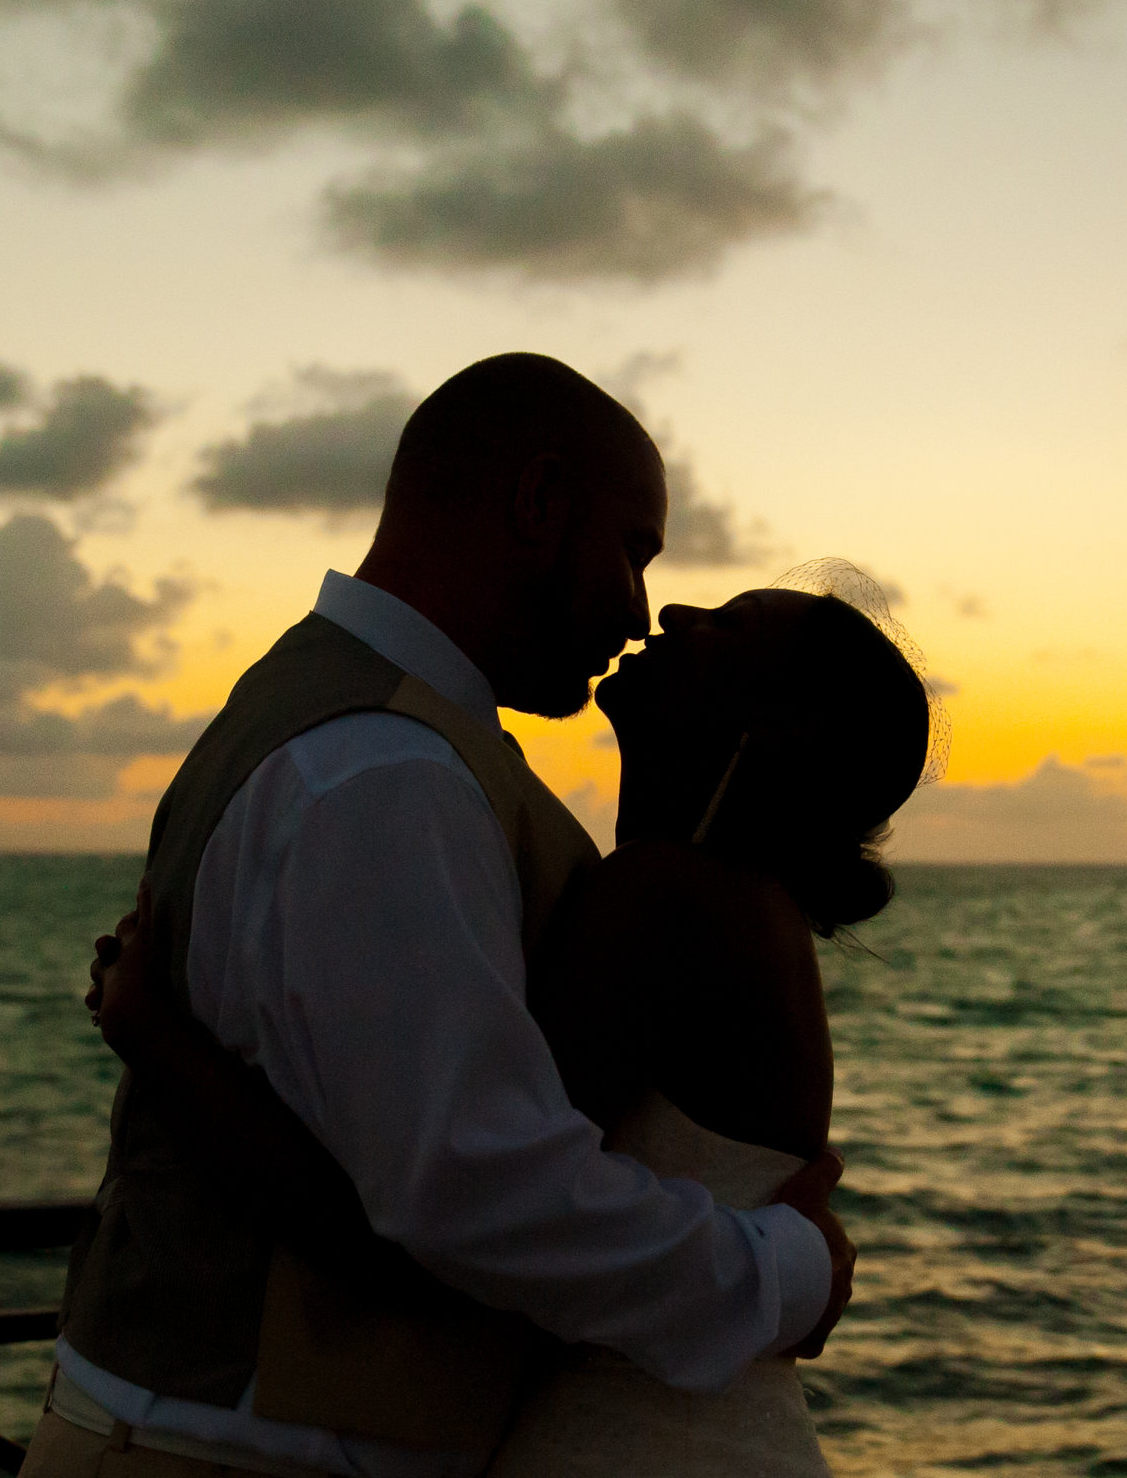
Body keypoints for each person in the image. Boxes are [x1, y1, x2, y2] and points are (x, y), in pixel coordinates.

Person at [29, 354, 858, 1478]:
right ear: (537, 503)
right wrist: (787, 1272)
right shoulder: (388, 771)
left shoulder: (335, 720)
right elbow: (472, 1188)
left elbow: (429, 1177)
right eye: (633, 549)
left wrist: (156, 1042)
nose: (641, 606)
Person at [87, 564, 938, 1476]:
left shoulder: (667, 899)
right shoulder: (736, 910)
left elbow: (441, 1224)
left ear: (770, 726)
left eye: (728, 627)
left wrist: (160, 1041)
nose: (680, 609)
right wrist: (798, 1271)